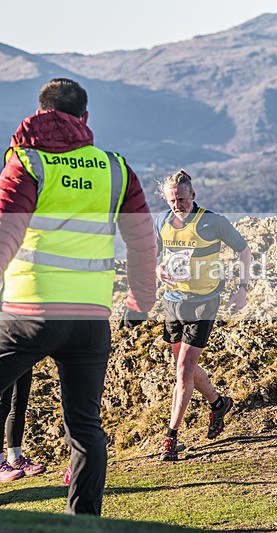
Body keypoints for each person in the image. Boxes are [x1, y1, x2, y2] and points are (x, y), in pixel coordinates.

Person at [0, 78, 157, 514]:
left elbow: (4, 236)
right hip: (90, 319)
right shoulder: (115, 168)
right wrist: (140, 302)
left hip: (27, 314)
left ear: (42, 110)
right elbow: (145, 244)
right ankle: (83, 523)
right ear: (84, 118)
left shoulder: (28, 164)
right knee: (86, 429)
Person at [155, 169, 252, 461]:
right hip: (173, 302)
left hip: (204, 302)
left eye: (182, 199)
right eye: (172, 200)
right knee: (182, 367)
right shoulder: (161, 220)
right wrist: (157, 269)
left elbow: (244, 251)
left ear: (193, 196)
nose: (177, 205)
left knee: (183, 369)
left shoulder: (213, 222)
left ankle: (170, 438)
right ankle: (218, 402)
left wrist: (242, 289)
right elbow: (152, 254)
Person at [0, 370, 46, 482]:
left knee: (19, 406)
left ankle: (15, 458)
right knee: (2, 407)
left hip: (26, 355)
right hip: (6, 355)